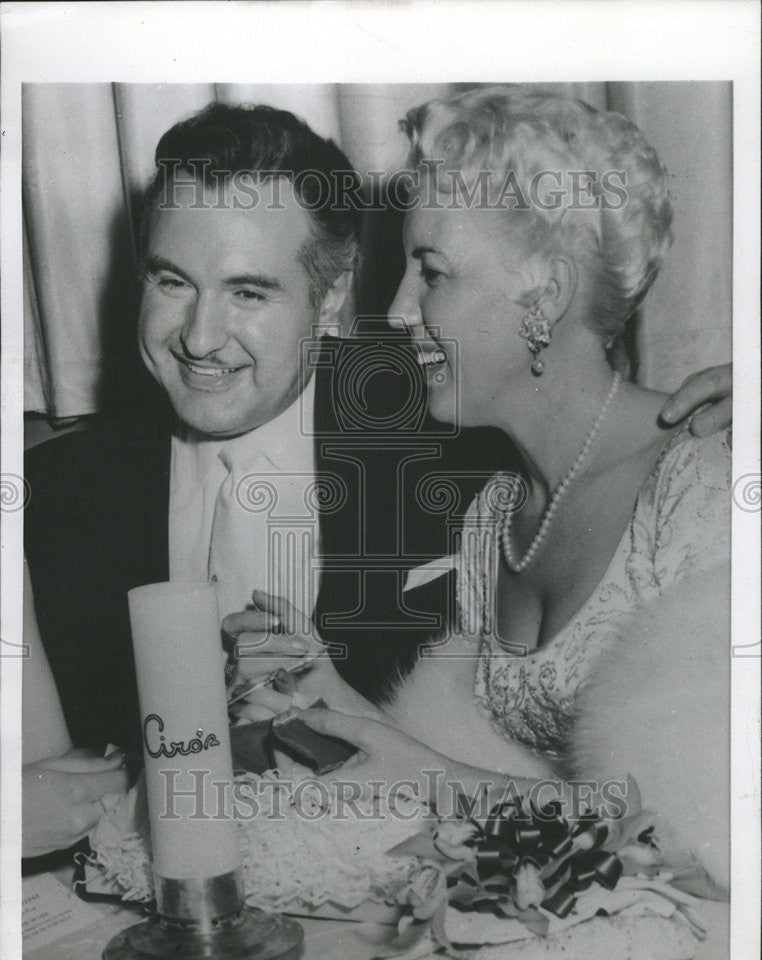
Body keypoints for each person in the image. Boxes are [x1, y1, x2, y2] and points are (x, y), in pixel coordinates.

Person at [23, 97, 731, 857]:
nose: (200, 336)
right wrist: (330, 700)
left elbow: (706, 819)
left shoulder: (455, 448)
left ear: (328, 298)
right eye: (171, 281)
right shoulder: (52, 495)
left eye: (250, 291)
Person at [238, 87, 732, 891]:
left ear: (546, 296)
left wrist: (431, 779)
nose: (396, 312)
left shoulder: (705, 489)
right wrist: (325, 694)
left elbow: (709, 840)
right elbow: (478, 759)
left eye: (430, 272)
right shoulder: (493, 514)